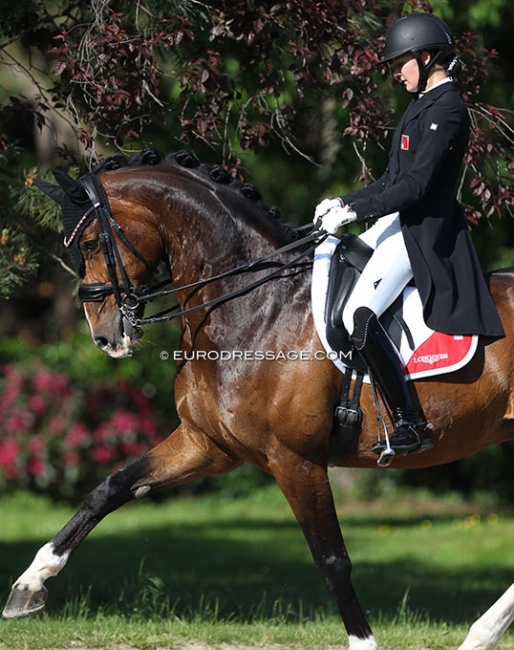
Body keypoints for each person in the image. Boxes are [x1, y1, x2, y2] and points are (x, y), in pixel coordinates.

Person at [314, 13, 504, 457]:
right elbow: (388, 181)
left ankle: (409, 422)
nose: (396, 72)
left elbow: (415, 186)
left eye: (401, 62)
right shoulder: (420, 105)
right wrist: (344, 202)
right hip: (397, 224)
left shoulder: (449, 109)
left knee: (359, 315)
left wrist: (354, 209)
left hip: (423, 233)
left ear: (425, 56)